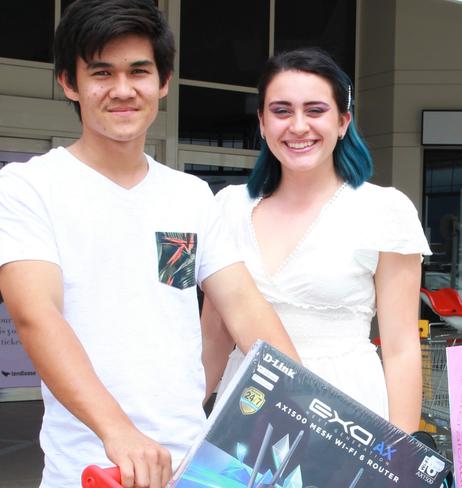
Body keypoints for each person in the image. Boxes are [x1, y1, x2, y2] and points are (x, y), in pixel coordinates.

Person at [0, 2, 298, 487]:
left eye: (139, 71)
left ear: (163, 82)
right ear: (69, 83)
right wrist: (117, 431)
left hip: (190, 464)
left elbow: (243, 304)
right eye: (102, 73)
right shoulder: (28, 187)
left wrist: (303, 404)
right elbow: (37, 315)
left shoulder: (189, 195)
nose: (122, 90)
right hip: (92, 465)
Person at [202, 47, 431, 434]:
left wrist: (399, 462)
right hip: (247, 406)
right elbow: (214, 336)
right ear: (261, 121)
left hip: (346, 413)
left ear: (343, 121)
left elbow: (400, 349)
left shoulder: (384, 210)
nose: (298, 126)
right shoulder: (228, 208)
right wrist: (180, 424)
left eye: (315, 110)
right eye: (281, 110)